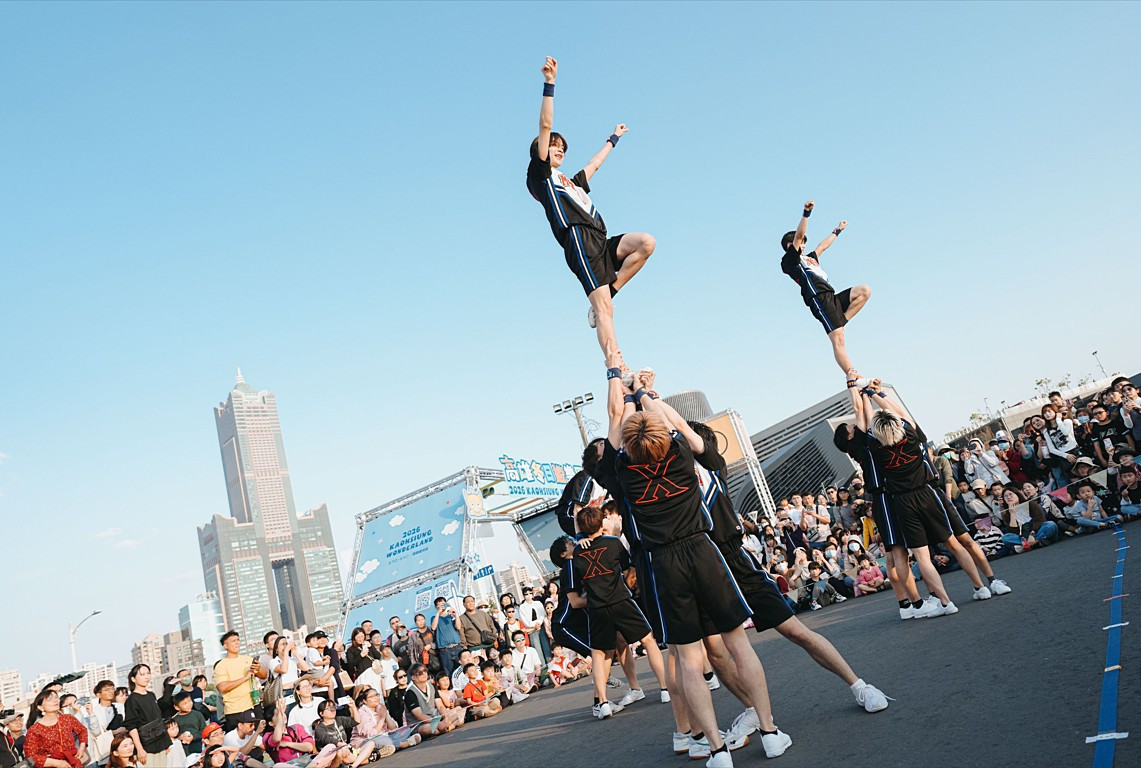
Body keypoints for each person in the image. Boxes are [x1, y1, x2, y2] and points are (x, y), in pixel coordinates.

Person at [604, 365, 791, 764]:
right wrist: (643, 391)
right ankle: (770, 731)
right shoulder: (680, 452)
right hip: (704, 551)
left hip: (663, 564)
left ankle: (717, 750)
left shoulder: (622, 470)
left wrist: (618, 383)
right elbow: (671, 420)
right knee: (739, 645)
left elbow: (614, 426)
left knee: (688, 660)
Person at [525, 56, 656, 362]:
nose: (560, 149)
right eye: (555, 145)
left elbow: (595, 164)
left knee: (646, 242)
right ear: (543, 150)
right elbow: (545, 125)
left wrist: (614, 137)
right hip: (580, 242)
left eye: (563, 147)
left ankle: (610, 291)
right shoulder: (542, 176)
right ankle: (616, 363)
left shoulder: (571, 182)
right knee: (604, 311)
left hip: (601, 239)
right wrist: (550, 83)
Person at [567, 504, 668, 720]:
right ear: (601, 523)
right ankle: (664, 688)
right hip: (621, 600)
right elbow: (626, 568)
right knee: (648, 640)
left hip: (596, 607)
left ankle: (602, 702)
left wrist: (579, 538)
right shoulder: (613, 543)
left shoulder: (577, 551)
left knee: (599, 653)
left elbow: (579, 525)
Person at [779, 199, 869, 384]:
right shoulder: (790, 262)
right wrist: (806, 213)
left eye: (804, 243)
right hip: (819, 300)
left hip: (832, 296)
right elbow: (798, 236)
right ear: (791, 246)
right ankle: (851, 373)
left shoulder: (810, 258)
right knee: (838, 339)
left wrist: (838, 230)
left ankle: (841, 322)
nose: (803, 245)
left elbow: (823, 246)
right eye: (800, 242)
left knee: (864, 291)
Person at [23, 689, 89, 768]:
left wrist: (81, 748)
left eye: (56, 697)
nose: (55, 701)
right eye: (50, 699)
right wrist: (57, 763)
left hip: (74, 763)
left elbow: (82, 730)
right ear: (40, 707)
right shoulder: (34, 730)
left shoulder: (67, 718)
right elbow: (31, 757)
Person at [122, 665, 171, 768]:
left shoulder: (151, 695)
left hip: (160, 742)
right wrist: (139, 749)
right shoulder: (132, 699)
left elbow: (158, 718)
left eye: (148, 673)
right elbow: (131, 726)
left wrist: (165, 743)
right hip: (146, 746)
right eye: (142, 674)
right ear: (133, 679)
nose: (147, 677)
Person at [311, 699, 383, 766]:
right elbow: (327, 739)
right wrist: (341, 745)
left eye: (333, 707)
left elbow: (356, 722)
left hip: (348, 749)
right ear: (321, 713)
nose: (332, 710)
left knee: (371, 743)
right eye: (329, 708)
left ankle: (355, 764)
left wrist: (353, 707)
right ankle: (366, 759)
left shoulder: (339, 720)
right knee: (340, 752)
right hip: (333, 755)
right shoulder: (319, 728)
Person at [214, 632, 261, 730]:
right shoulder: (221, 665)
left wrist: (259, 669)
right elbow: (222, 687)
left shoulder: (248, 659)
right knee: (238, 742)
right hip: (235, 711)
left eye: (238, 640)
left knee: (259, 737)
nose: (237, 643)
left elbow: (264, 675)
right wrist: (244, 678)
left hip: (254, 705)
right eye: (233, 641)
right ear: (225, 645)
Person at [429, 598, 464, 680]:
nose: (442, 606)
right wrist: (438, 612)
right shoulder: (434, 617)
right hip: (445, 650)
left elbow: (458, 627)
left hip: (457, 647)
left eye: (443, 604)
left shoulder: (450, 616)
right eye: (439, 604)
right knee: (449, 673)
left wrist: (456, 614)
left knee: (462, 670)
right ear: (436, 607)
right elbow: (433, 627)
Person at [517, 587, 550, 663]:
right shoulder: (522, 607)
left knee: (546, 647)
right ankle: (543, 668)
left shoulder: (538, 603)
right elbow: (525, 621)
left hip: (541, 627)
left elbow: (543, 614)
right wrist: (534, 625)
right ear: (523, 596)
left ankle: (551, 667)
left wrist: (539, 623)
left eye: (530, 593)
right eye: (526, 594)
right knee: (537, 649)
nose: (528, 595)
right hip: (532, 630)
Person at [171, 693, 206, 759]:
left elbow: (204, 731)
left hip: (197, 746)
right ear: (177, 707)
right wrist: (179, 738)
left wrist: (193, 737)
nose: (189, 704)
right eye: (185, 703)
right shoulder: (175, 719)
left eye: (190, 701)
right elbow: (172, 736)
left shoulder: (197, 715)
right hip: (182, 749)